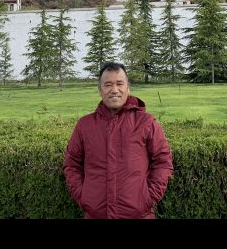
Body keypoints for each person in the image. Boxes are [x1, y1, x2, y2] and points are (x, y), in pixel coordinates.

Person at [63, 62, 174, 219]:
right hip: (96, 214)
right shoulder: (85, 125)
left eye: (119, 84)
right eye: (108, 84)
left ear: (128, 88)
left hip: (139, 215)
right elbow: (72, 164)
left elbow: (163, 161)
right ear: (100, 90)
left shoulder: (146, 122)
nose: (114, 90)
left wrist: (148, 197)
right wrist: (84, 197)